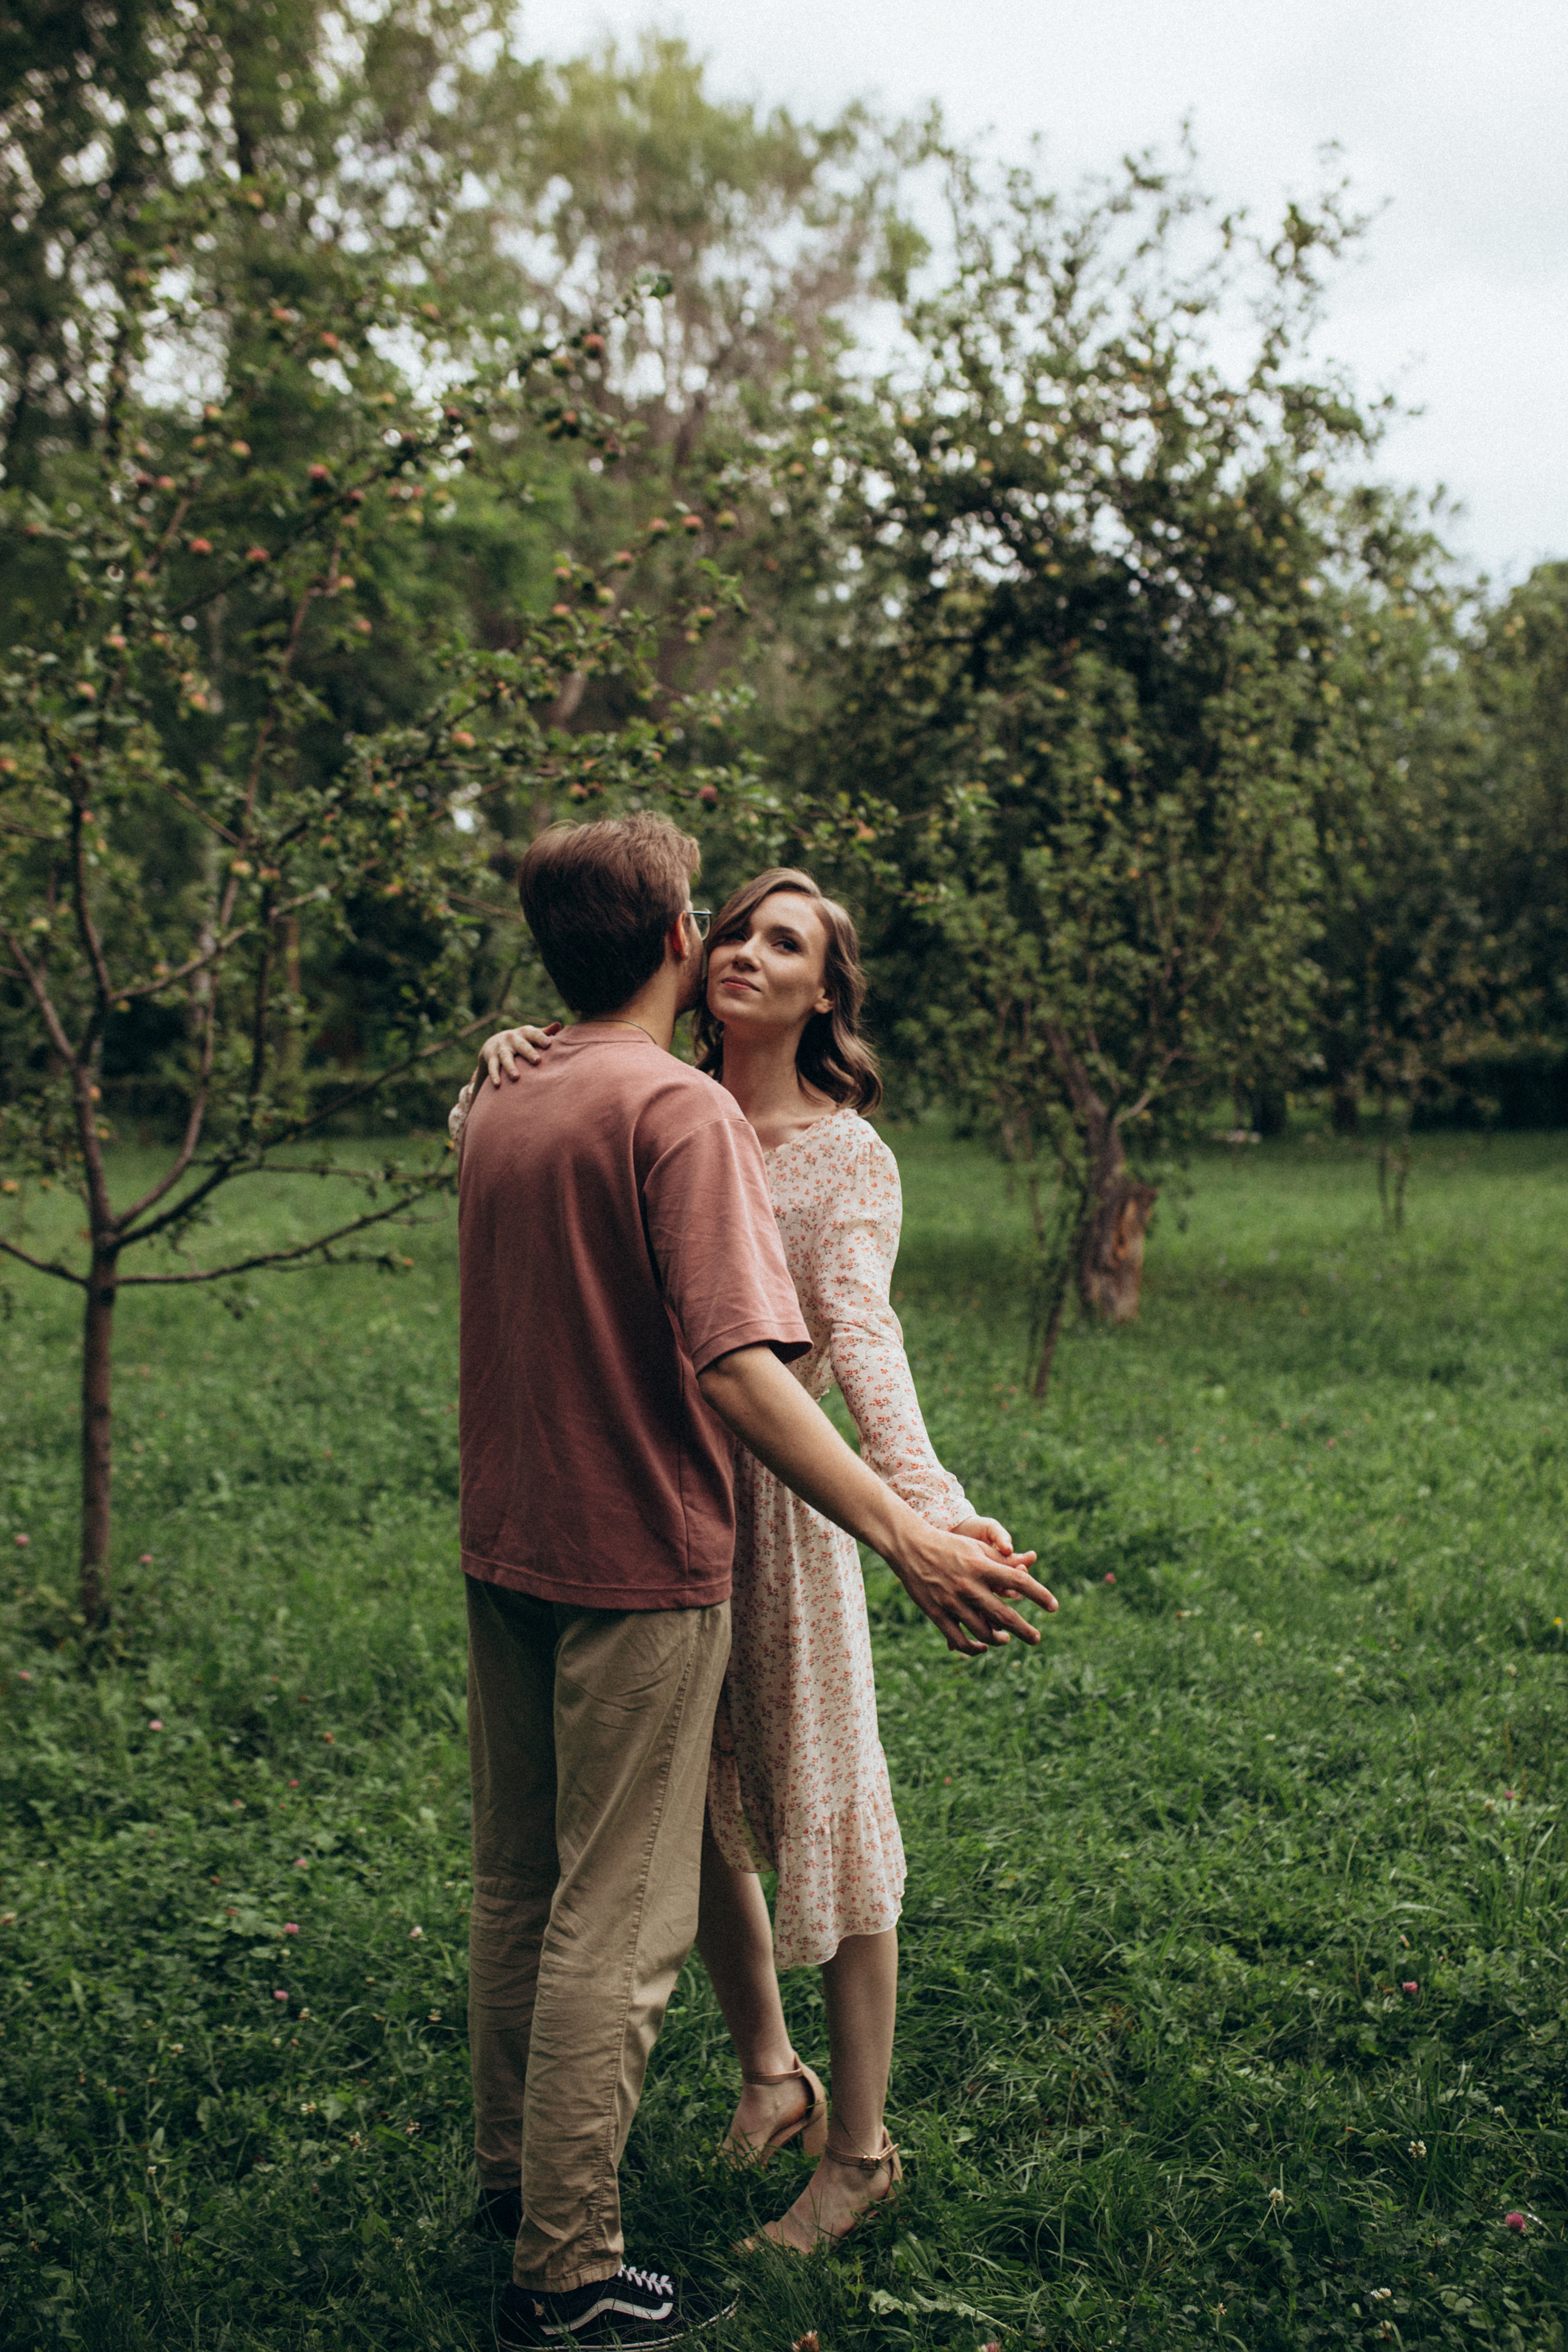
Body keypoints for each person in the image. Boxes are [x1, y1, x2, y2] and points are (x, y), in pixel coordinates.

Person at [456, 818, 1055, 2350]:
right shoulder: (636, 1098)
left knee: (816, 1813)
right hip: (655, 1505)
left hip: (780, 1517)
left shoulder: (820, 1151)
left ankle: (856, 2151)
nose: (744, 950)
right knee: (696, 1822)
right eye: (732, 926)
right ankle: (765, 2075)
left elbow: (858, 1341)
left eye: (785, 942)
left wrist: (925, 1509)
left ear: (825, 994)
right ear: (676, 948)